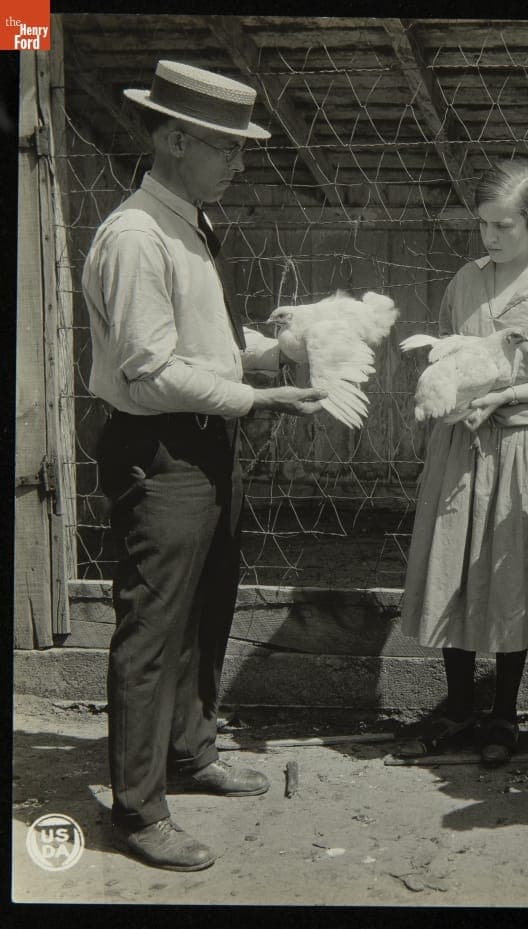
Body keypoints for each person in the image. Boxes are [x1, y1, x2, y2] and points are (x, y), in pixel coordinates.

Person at [83, 60, 327, 871]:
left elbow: (197, 346)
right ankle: (138, 807)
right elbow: (149, 370)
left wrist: (267, 352)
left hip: (203, 441)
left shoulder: (187, 222)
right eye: (226, 147)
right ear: (174, 138)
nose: (239, 162)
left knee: (204, 608)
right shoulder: (135, 236)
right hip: (159, 449)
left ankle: (192, 749)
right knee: (153, 625)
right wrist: (258, 399)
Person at [397, 158, 528, 766]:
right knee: (453, 566)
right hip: (464, 445)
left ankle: (504, 714)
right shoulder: (466, 280)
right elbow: (452, 360)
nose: (490, 237)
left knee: (513, 575)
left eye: (503, 226)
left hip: (526, 449)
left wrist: (507, 396)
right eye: (483, 225)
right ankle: (458, 708)